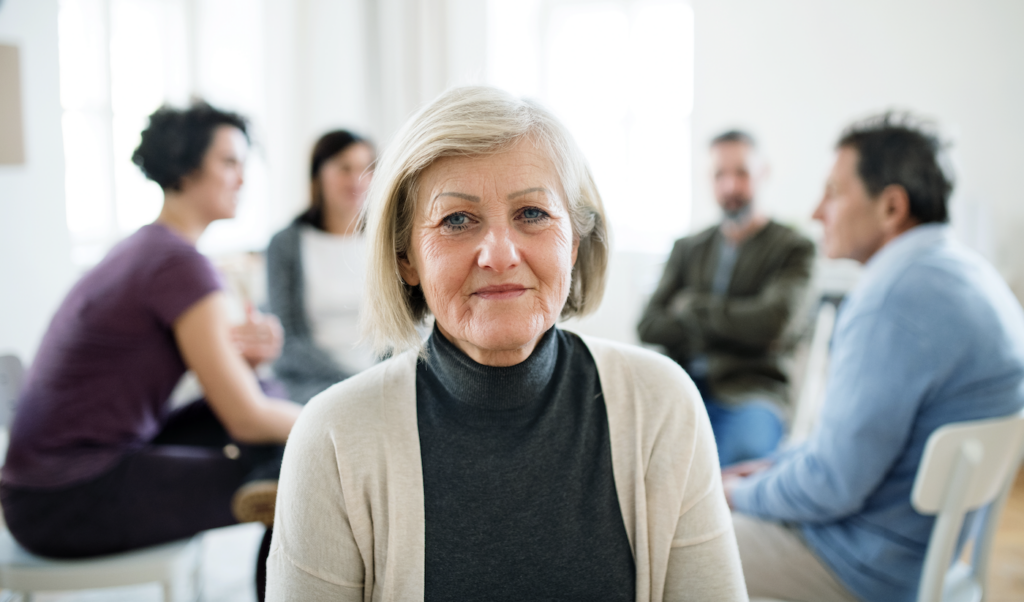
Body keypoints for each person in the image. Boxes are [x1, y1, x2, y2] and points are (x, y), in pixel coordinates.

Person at [266, 87, 746, 601]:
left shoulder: (663, 406)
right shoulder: (333, 437)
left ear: (575, 241)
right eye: (456, 220)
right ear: (407, 258)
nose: (499, 254)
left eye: (532, 213)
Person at [0, 101, 302, 599]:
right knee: (299, 463)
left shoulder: (149, 248)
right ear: (185, 166)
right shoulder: (176, 263)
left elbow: (232, 385)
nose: (242, 179)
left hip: (44, 486)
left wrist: (247, 364)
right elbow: (246, 419)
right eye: (228, 162)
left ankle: (279, 483)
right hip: (64, 498)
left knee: (270, 403)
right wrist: (332, 428)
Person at [725, 113, 1024, 602]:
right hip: (923, 555)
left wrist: (735, 493)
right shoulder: (972, 275)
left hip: (862, 568)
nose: (817, 211)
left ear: (891, 207)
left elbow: (830, 485)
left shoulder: (891, 299)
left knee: (670, 539)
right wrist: (769, 468)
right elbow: (844, 452)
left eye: (834, 192)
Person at [637, 130, 814, 466]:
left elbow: (773, 323)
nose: (731, 187)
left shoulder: (793, 248)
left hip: (753, 393)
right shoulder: (688, 248)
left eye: (742, 173)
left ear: (764, 173)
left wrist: (691, 307)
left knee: (722, 474)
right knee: (633, 462)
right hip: (681, 385)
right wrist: (742, 327)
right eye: (720, 175)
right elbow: (649, 325)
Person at [266, 130, 377, 404]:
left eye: (366, 169)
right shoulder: (286, 244)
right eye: (344, 168)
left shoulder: (388, 239)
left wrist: (379, 376)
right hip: (311, 382)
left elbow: (406, 327)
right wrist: (351, 380)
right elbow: (288, 341)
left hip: (381, 376)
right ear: (318, 174)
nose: (356, 180)